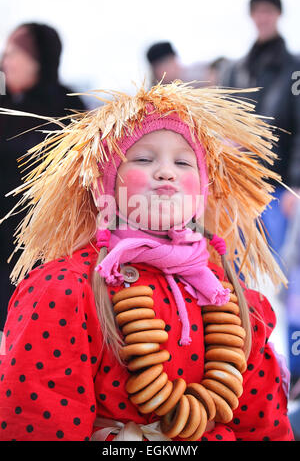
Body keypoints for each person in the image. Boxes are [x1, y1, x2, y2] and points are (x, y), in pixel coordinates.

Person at [0, 81, 294, 441]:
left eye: (183, 162)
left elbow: (265, 428)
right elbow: (37, 422)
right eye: (143, 158)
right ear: (103, 187)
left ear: (201, 191)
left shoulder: (233, 299)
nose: (166, 172)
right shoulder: (65, 289)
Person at [0, 23, 86, 330]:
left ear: (41, 60)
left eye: (15, 53)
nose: (5, 60)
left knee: (36, 327)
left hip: (45, 244)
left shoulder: (68, 106)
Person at [221, 0, 300, 263]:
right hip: (240, 188)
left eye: (269, 11)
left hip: (279, 188)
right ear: (252, 16)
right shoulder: (235, 70)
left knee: (282, 267)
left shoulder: (295, 68)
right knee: (236, 266)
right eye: (258, 11)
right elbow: (223, 122)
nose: (263, 17)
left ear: (278, 14)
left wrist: (297, 185)